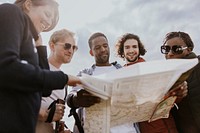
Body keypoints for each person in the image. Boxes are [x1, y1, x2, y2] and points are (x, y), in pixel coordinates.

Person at [0, 1, 81, 133]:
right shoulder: (10, 12)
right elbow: (6, 68)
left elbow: (45, 89)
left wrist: (39, 47)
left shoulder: (31, 41)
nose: (49, 22)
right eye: (47, 14)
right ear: (28, 4)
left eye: (52, 20)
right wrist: (65, 78)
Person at [67, 32, 140, 133]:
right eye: (97, 48)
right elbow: (70, 96)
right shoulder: (85, 74)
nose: (103, 49)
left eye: (105, 46)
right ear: (91, 52)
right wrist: (74, 99)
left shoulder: (123, 71)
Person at [115, 33, 188, 133]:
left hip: (170, 125)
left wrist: (178, 93)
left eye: (134, 46)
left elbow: (172, 98)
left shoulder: (153, 69)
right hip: (148, 128)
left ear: (139, 49)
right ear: (122, 51)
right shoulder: (120, 77)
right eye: (127, 47)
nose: (131, 50)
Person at [36, 29, 78, 133]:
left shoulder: (63, 80)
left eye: (74, 47)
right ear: (52, 46)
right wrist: (44, 115)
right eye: (67, 46)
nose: (71, 51)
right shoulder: (38, 66)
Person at [161, 31, 200, 133]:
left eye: (176, 49)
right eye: (166, 49)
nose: (170, 54)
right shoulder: (167, 76)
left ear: (188, 50)